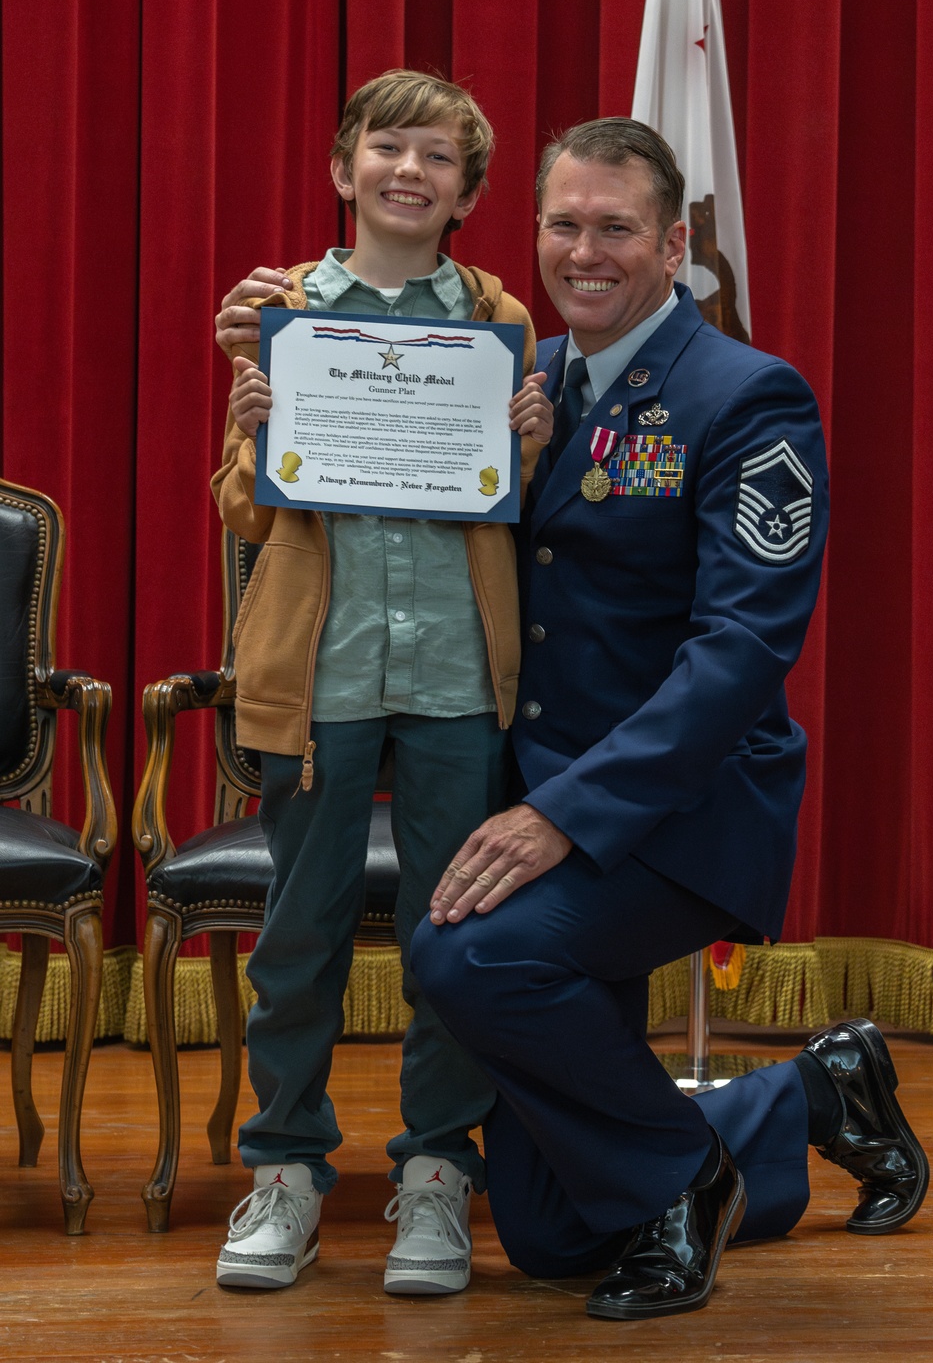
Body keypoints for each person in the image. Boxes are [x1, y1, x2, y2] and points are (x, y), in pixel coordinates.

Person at [404, 118, 929, 1319]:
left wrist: (559, 816)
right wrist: (276, 376)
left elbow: (739, 650)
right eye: (562, 223)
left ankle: (687, 1175)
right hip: (546, 791)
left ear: (674, 240)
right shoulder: (520, 374)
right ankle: (811, 1098)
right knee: (547, 1233)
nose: (584, 251)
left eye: (615, 228)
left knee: (465, 950)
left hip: (684, 811)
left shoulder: (746, 395)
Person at [210, 69, 551, 1297]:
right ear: (344, 168)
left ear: (466, 192)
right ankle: (288, 1168)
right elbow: (248, 503)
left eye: (440, 158)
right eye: (389, 148)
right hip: (321, 675)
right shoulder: (284, 312)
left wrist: (527, 439)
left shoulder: (503, 317)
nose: (411, 172)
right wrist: (253, 420)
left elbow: (527, 508)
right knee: (296, 935)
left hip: (462, 673)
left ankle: (434, 1173)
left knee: (449, 936)